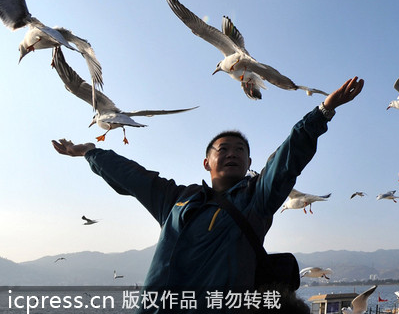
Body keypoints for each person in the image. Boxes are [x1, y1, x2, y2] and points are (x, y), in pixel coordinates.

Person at [52, 76, 364, 313]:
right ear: (207, 161)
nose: (232, 154)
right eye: (223, 149)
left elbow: (287, 158)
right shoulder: (177, 199)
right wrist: (91, 152)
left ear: (249, 164)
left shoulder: (258, 199)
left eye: (240, 150)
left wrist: (324, 111)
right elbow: (133, 177)